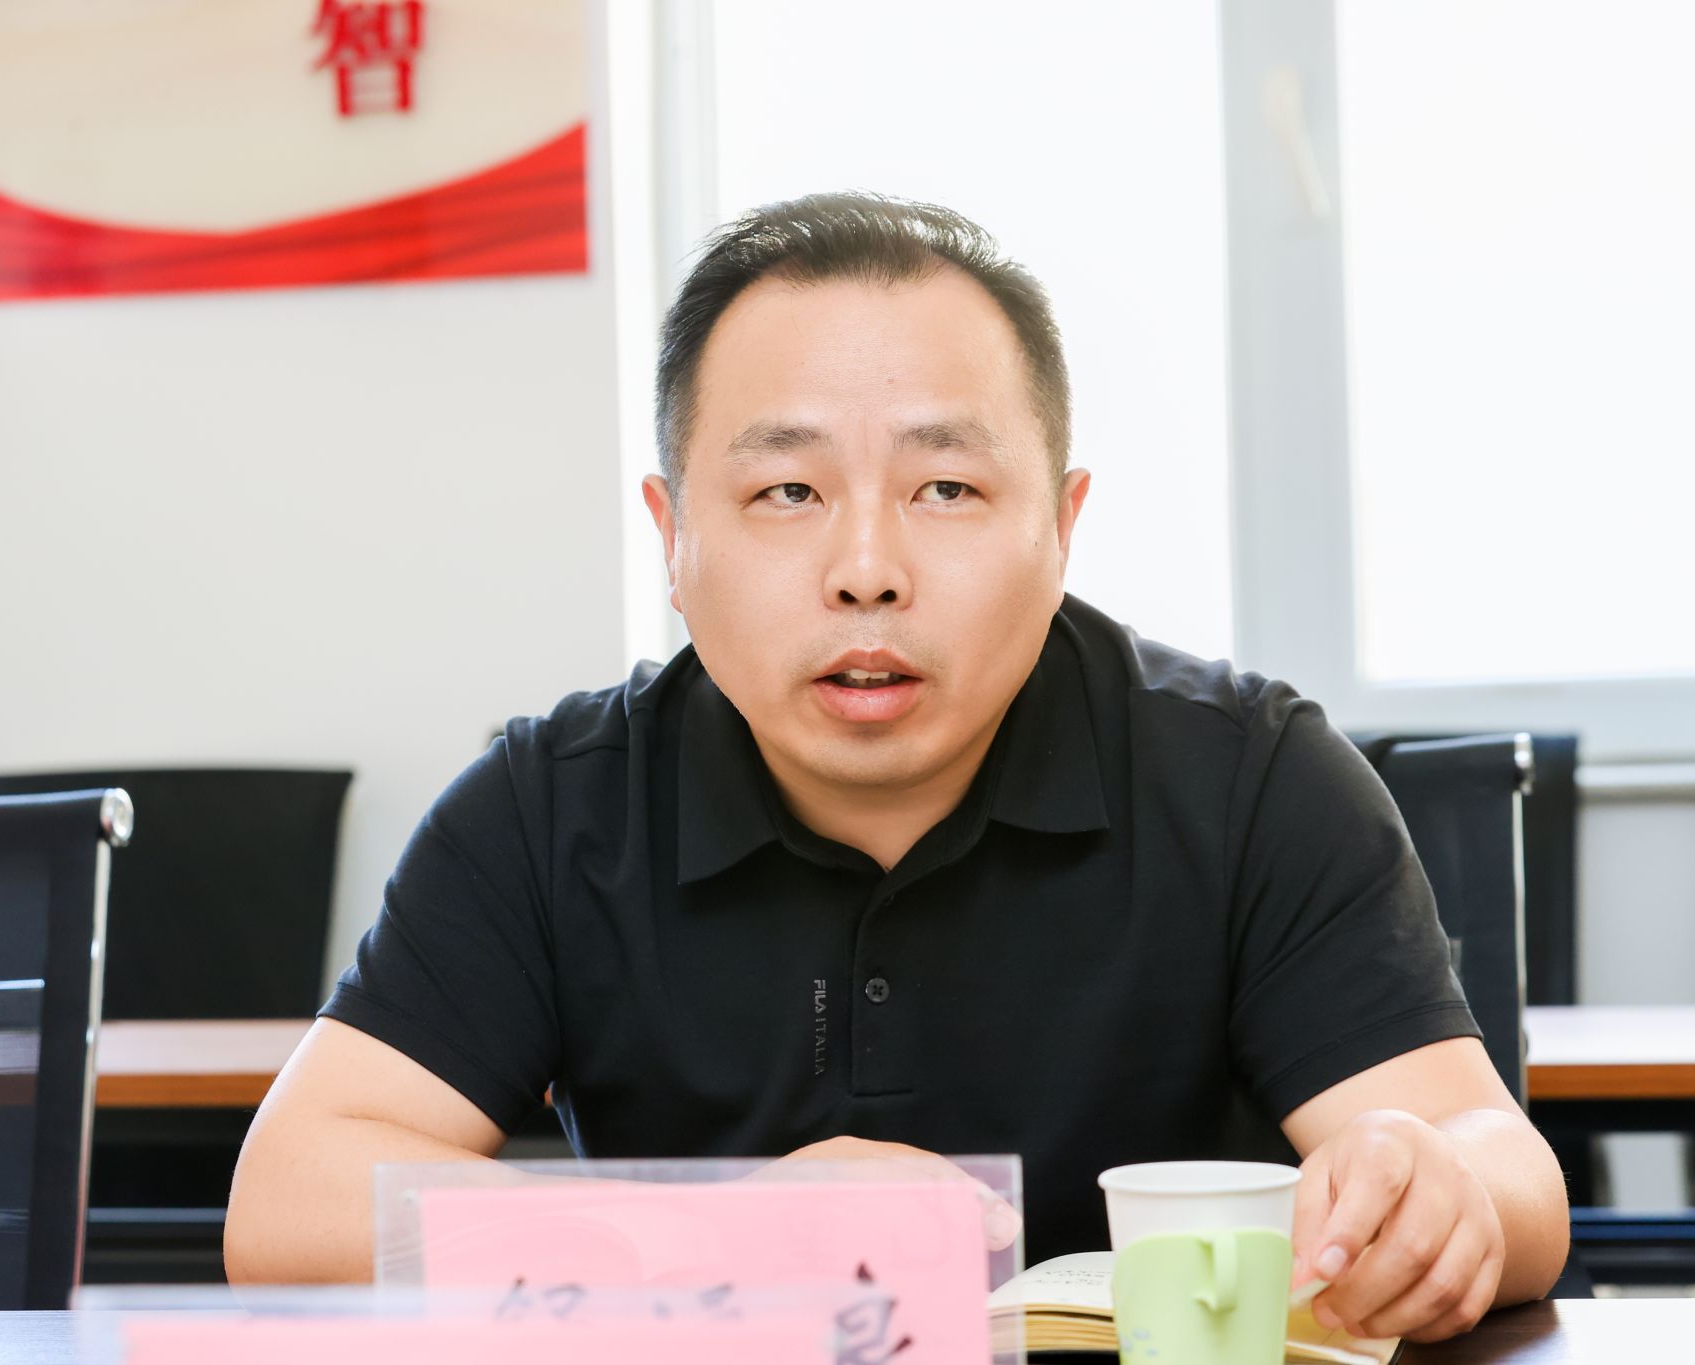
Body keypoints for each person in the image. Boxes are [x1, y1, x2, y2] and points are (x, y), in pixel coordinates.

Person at [226, 192, 1569, 1342]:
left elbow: (1499, 1166)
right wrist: (721, 1233)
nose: (866, 568)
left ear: (1062, 526)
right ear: (673, 538)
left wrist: (1435, 1196)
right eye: (787, 493)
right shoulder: (552, 806)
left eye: (947, 489)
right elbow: (288, 1202)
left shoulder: (1250, 777)